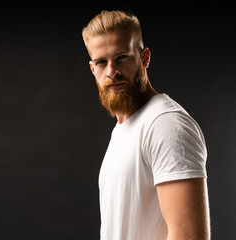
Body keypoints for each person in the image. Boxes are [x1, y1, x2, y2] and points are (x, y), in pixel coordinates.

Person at [82, 10, 210, 240]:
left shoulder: (166, 124)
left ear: (144, 57)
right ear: (93, 69)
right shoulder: (123, 129)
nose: (112, 71)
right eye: (102, 62)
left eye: (121, 57)